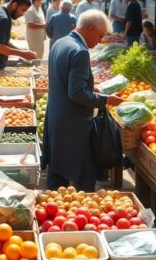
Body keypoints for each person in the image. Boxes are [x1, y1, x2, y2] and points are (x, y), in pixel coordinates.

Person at [42, 10, 123, 191]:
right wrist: (106, 99)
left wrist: (88, 88)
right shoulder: (80, 52)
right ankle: (82, 211)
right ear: (91, 29)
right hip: (74, 124)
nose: (100, 41)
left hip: (56, 117)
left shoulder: (60, 43)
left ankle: (54, 210)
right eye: (100, 35)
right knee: (86, 174)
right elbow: (76, 94)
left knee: (57, 170)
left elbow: (63, 81)